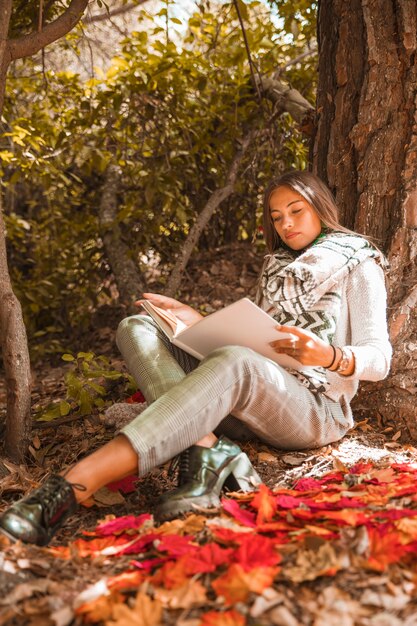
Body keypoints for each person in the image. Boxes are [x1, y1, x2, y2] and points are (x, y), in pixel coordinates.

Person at [0, 170, 392, 546]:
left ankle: (71, 487)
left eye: (296, 210)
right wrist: (196, 321)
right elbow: (256, 337)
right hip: (249, 394)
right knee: (137, 326)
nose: (285, 224)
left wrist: (329, 354)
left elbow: (380, 358)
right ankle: (204, 445)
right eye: (276, 217)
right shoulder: (276, 267)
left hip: (314, 410)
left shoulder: (360, 262)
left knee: (237, 361)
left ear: (320, 207)